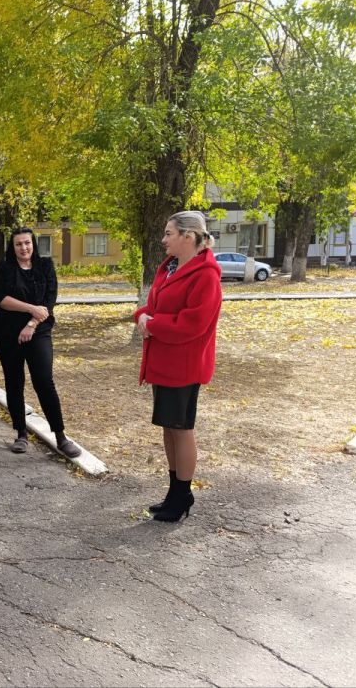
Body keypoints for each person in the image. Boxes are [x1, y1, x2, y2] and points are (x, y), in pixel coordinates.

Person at [134, 211, 222, 522]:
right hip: (163, 361)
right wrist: (143, 315)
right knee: (170, 427)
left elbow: (193, 324)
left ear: (188, 236)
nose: (163, 239)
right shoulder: (170, 267)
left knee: (182, 429)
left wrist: (154, 324)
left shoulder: (206, 274)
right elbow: (156, 305)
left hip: (184, 364)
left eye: (169, 233)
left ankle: (183, 494)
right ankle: (174, 492)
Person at [0, 227, 82, 458]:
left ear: (33, 244)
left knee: (43, 380)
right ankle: (21, 433)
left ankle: (60, 436)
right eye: (19, 244)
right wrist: (32, 308)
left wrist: (31, 324)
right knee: (14, 382)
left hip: (39, 331)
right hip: (8, 334)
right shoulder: (4, 268)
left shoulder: (45, 266)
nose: (24, 248)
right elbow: (1, 299)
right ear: (12, 247)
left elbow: (50, 299)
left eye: (27, 243)